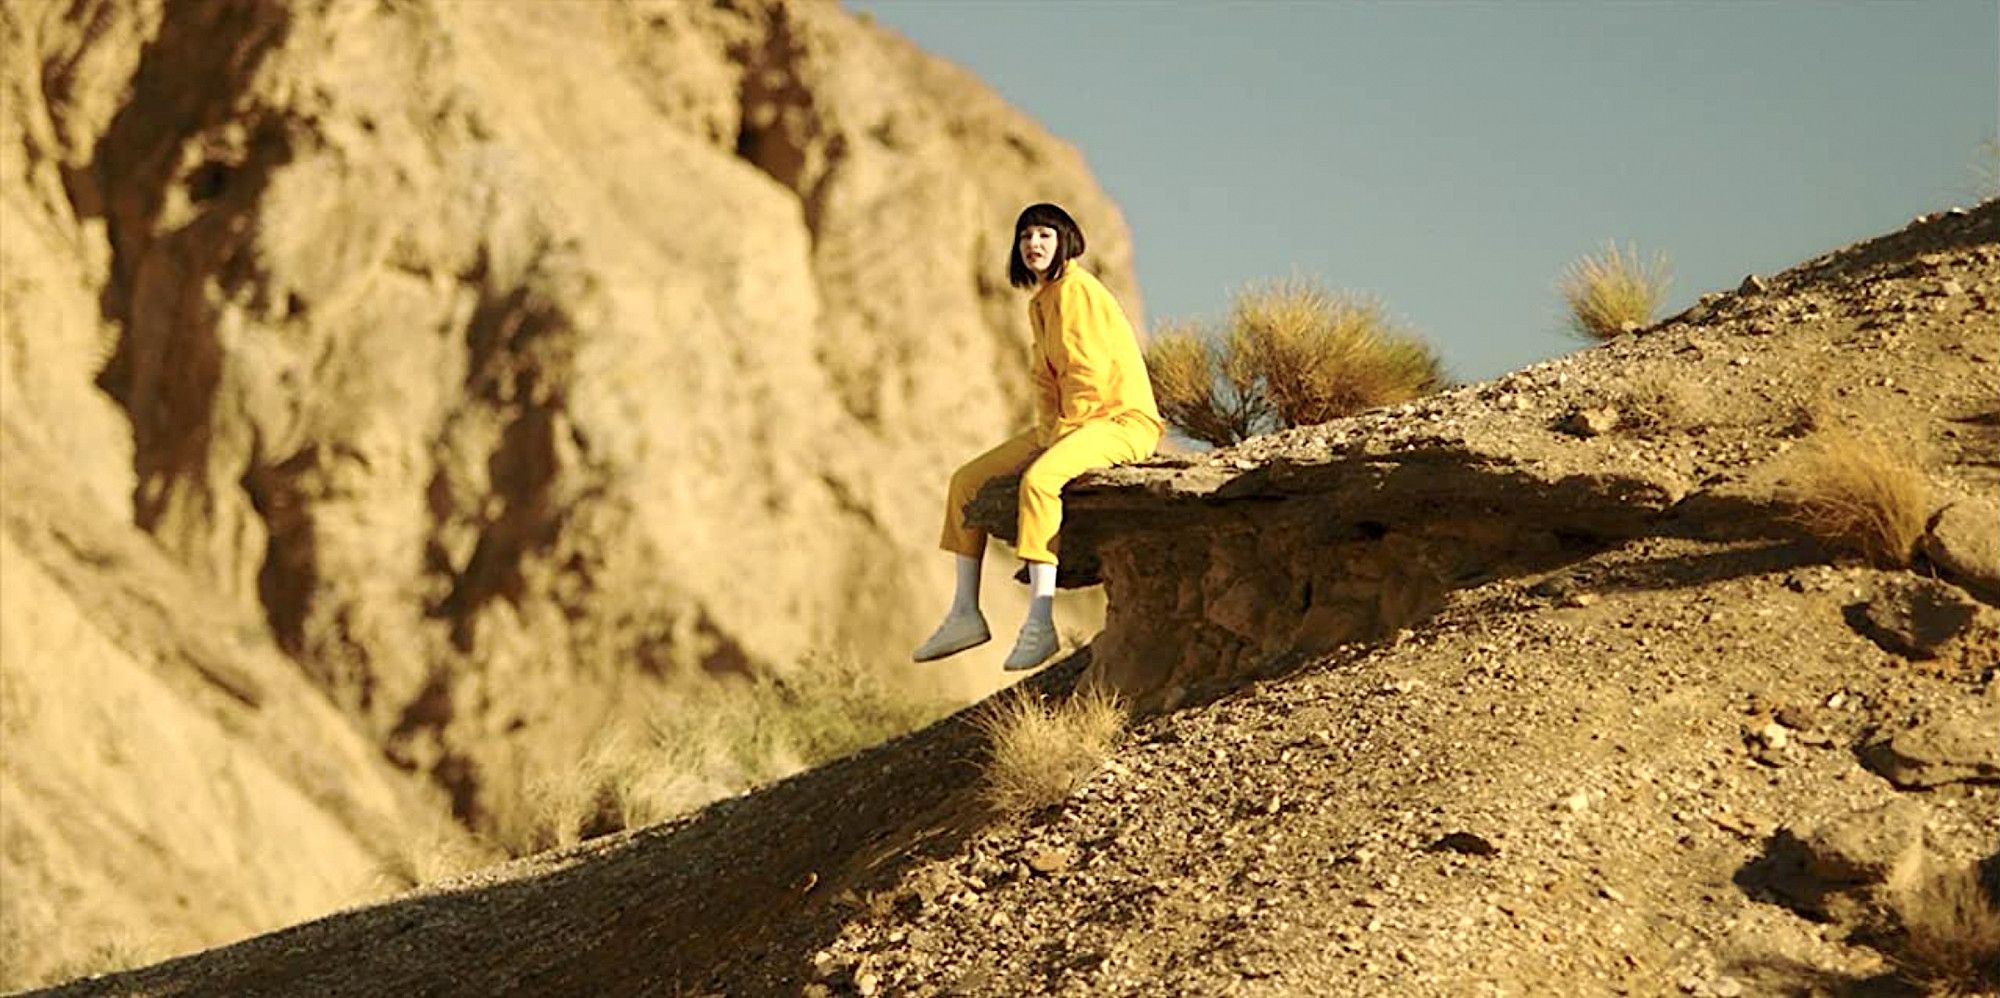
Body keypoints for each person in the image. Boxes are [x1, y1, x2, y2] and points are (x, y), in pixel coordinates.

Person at [913, 203, 1164, 671]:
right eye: (1026, 236)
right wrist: (1051, 434)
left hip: (1119, 422)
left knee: (1040, 481)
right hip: (1070, 423)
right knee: (966, 481)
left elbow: (1088, 373)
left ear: (1065, 240)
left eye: (1044, 235)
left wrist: (1059, 442)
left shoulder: (1077, 291)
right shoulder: (1041, 302)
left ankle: (1040, 624)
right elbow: (1047, 382)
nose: (1033, 244)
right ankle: (965, 613)